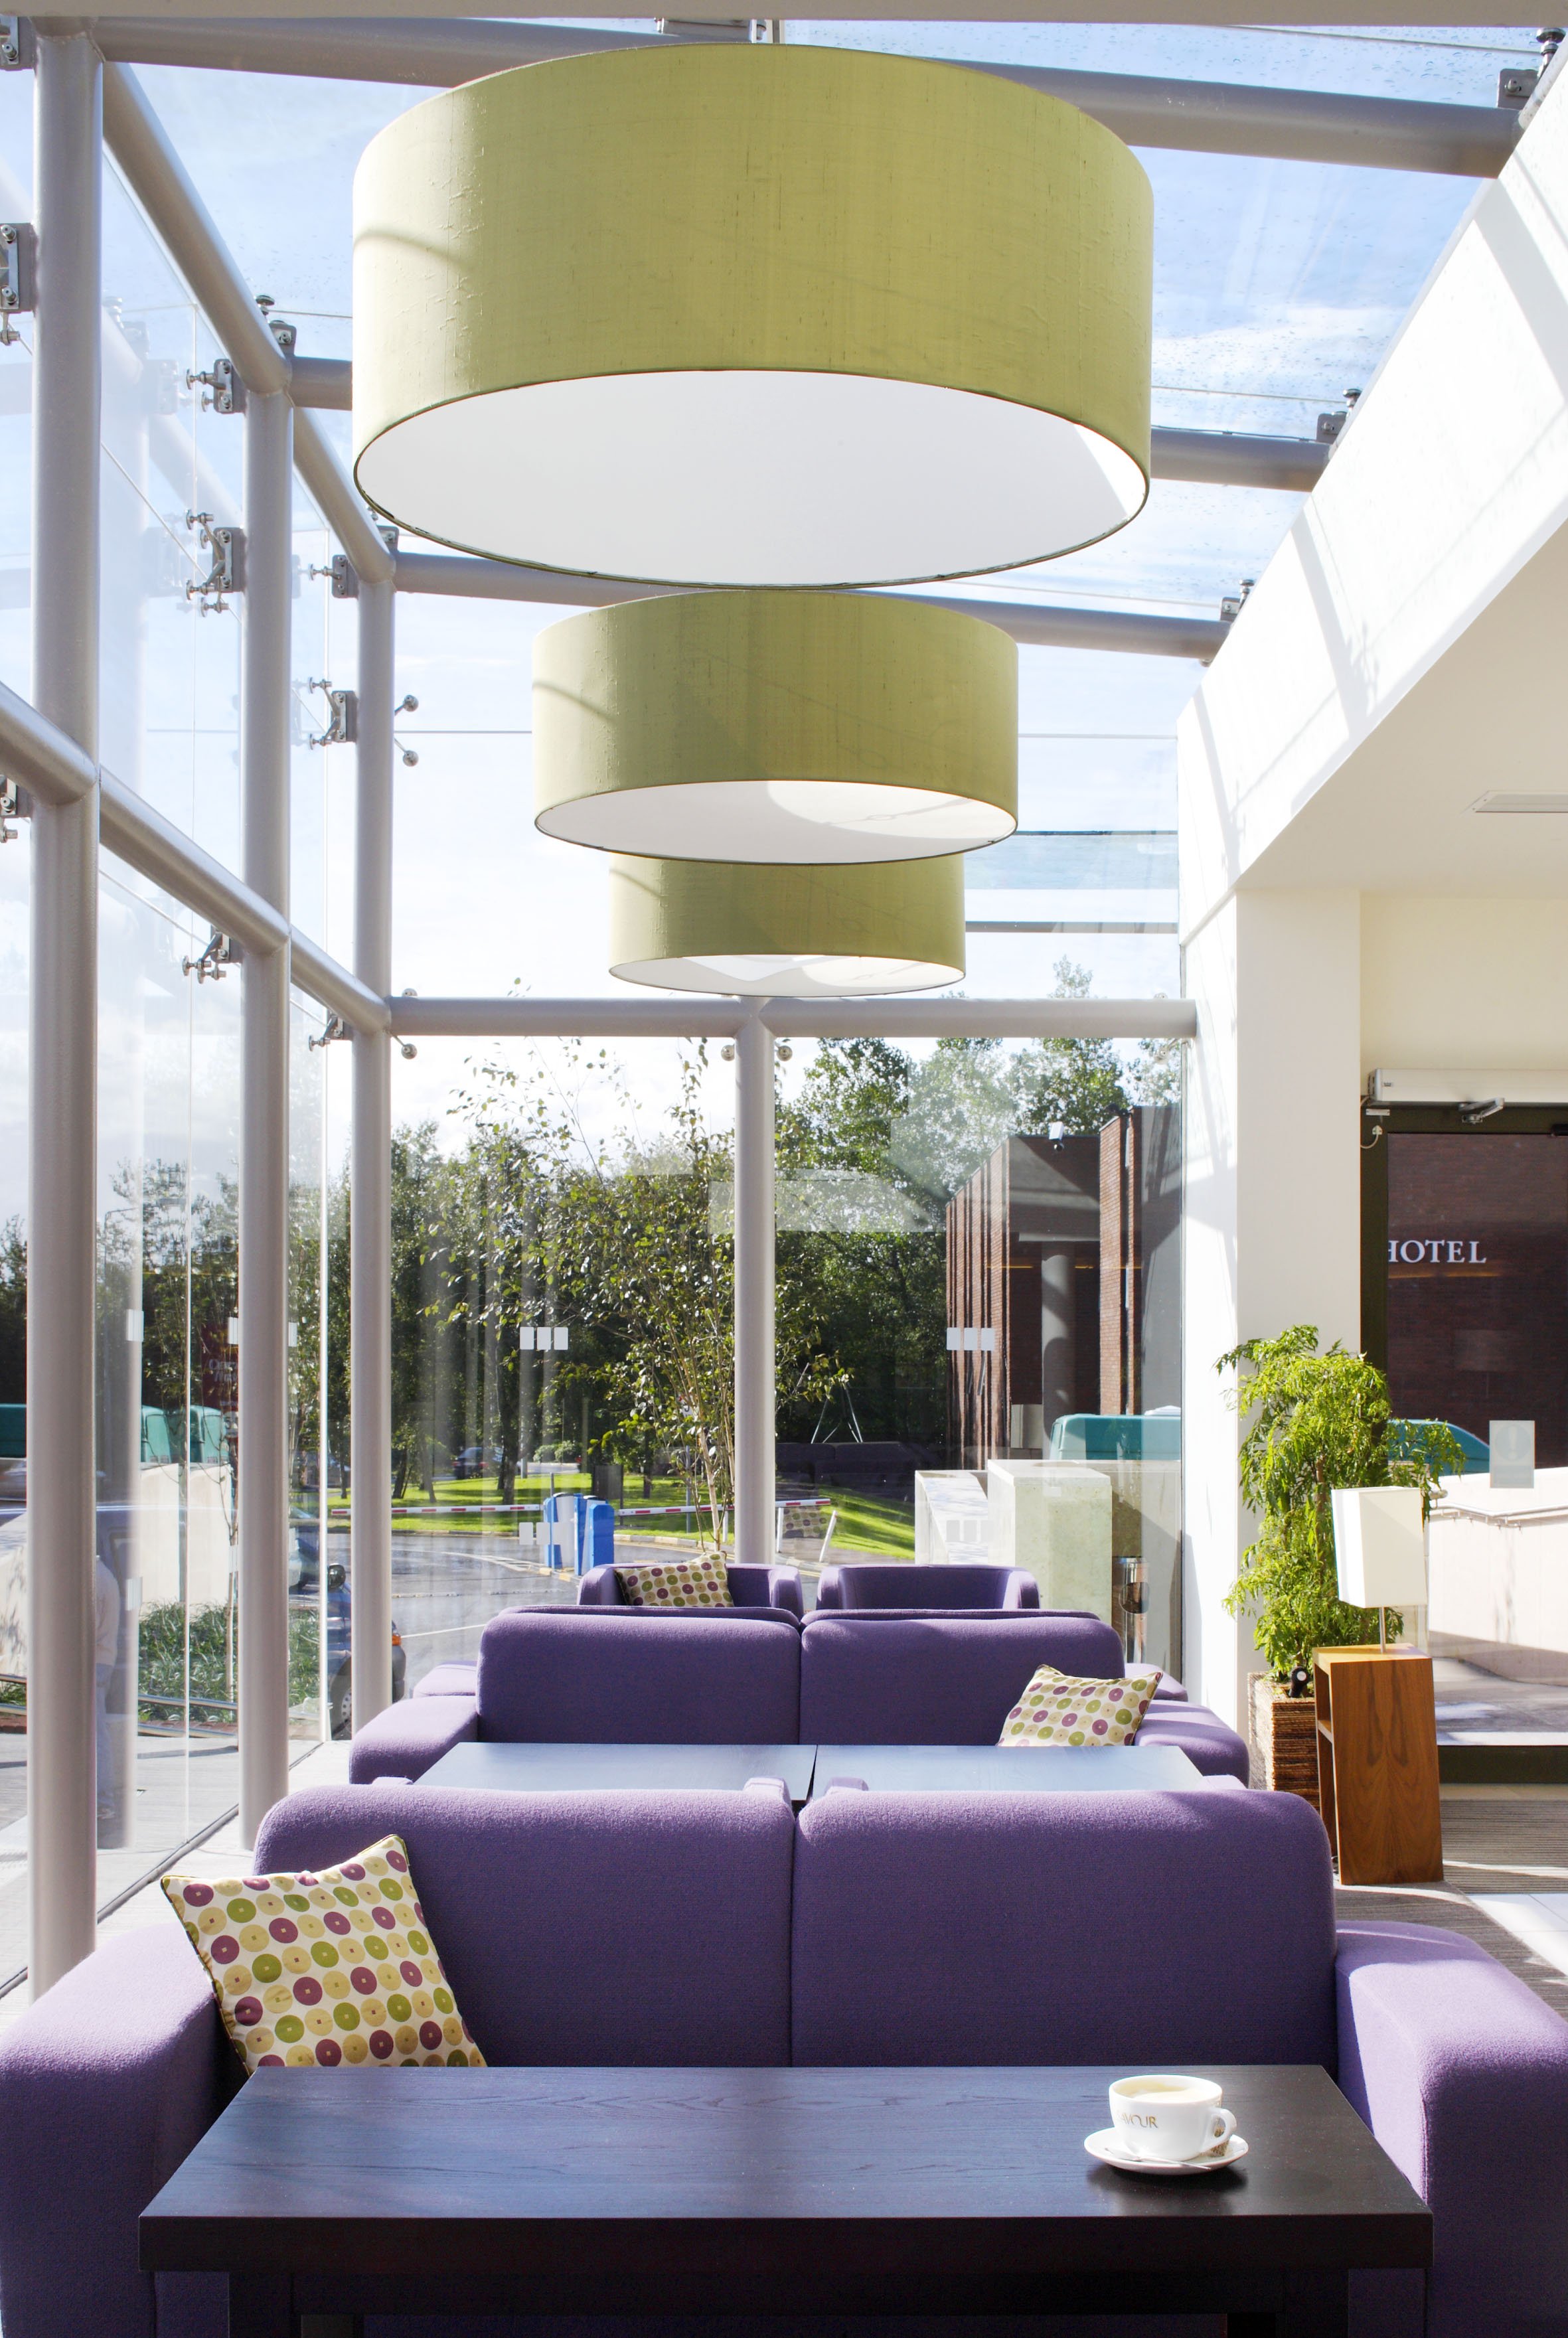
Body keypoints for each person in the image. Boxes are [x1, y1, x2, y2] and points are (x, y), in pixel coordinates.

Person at [94, 1557, 121, 1826]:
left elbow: (82, 1629)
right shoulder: (104, 1575)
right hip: (101, 1660)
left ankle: (102, 1802)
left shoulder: (92, 1579)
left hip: (93, 1662)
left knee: (96, 1735)